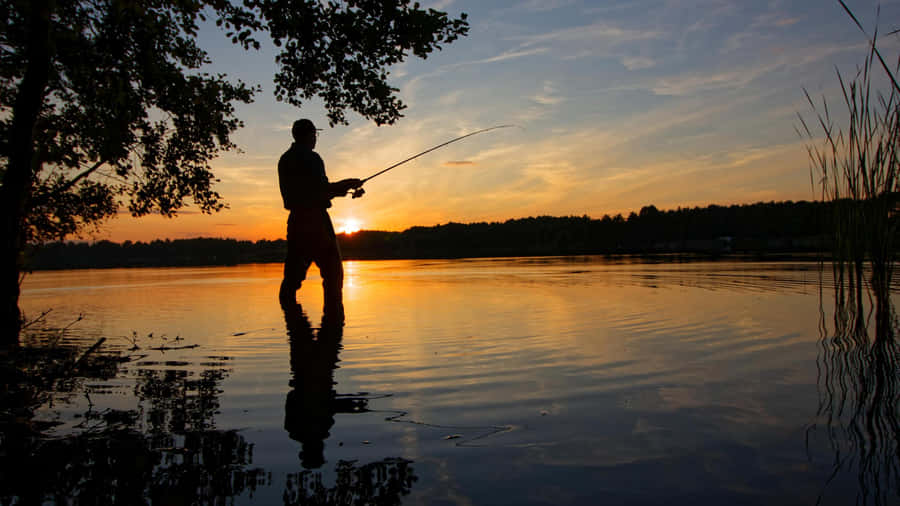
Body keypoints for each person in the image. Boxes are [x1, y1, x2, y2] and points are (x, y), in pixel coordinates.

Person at [278, 118, 362, 315]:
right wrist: (347, 184)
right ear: (308, 135)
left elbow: (310, 191)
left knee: (292, 280)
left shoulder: (285, 159)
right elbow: (321, 191)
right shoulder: (312, 158)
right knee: (333, 276)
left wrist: (344, 188)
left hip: (296, 223)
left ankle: (293, 328)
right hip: (316, 223)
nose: (316, 138)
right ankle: (331, 333)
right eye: (315, 134)